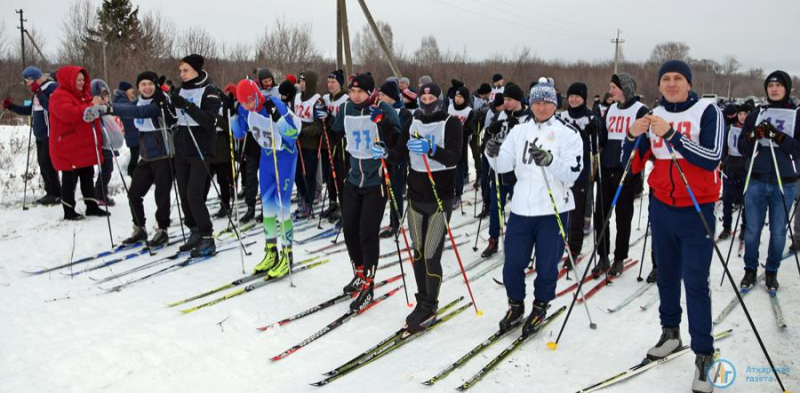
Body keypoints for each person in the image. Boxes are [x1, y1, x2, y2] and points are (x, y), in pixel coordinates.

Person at [623, 60, 724, 393]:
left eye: (677, 78)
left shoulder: (707, 112)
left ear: (688, 82)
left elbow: (711, 156)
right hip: (662, 206)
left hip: (697, 210)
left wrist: (673, 135)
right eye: (665, 78)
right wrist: (632, 135)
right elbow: (637, 162)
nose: (671, 83)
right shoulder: (653, 114)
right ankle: (670, 332)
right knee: (666, 275)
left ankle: (704, 353)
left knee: (695, 281)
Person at [486, 81, 583, 336]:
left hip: (552, 208)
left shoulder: (568, 132)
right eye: (537, 102)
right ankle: (515, 305)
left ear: (555, 104)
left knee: (547, 263)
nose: (542, 107)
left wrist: (550, 160)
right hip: (521, 207)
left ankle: (540, 306)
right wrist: (491, 152)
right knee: (513, 262)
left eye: (547, 102)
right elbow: (503, 165)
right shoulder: (519, 131)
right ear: (530, 103)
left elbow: (573, 174)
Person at [373, 82, 463, 332]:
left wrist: (431, 148)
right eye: (423, 96)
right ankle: (422, 300)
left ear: (439, 98)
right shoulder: (413, 121)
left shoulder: (451, 122)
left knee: (432, 253)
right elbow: (399, 154)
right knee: (418, 251)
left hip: (439, 197)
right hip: (415, 197)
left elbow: (455, 157)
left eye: (432, 96)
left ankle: (430, 305)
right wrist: (385, 152)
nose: (426, 100)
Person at [331, 73, 402, 311]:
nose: (354, 95)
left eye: (360, 92)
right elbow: (336, 130)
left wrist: (382, 122)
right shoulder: (346, 108)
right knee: (349, 229)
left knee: (367, 233)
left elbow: (397, 140)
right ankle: (359, 273)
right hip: (353, 179)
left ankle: (369, 284)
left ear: (370, 92)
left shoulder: (382, 107)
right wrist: (326, 119)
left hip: (376, 181)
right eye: (351, 91)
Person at [98, 71, 177, 247]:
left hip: (164, 155)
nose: (147, 87)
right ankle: (139, 228)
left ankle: (162, 229)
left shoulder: (159, 102)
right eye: (143, 84)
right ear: (138, 87)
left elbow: (139, 112)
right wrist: (102, 107)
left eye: (150, 84)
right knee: (134, 193)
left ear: (155, 85)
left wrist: (110, 108)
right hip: (146, 157)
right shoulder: (138, 102)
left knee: (161, 195)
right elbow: (129, 109)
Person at [737, 70, 800, 292]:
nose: (774, 89)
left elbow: (797, 149)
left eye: (778, 85)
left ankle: (772, 270)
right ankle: (750, 269)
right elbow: (742, 148)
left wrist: (778, 136)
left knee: (779, 230)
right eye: (770, 85)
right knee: (752, 229)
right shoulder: (756, 114)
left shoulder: (796, 114)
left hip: (785, 181)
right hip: (757, 179)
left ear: (786, 88)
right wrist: (753, 135)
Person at [233, 79, 300, 278]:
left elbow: (293, 135)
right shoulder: (245, 109)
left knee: (282, 207)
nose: (247, 106)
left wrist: (278, 117)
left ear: (255, 95)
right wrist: (234, 116)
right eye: (243, 103)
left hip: (285, 158)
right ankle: (271, 252)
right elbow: (239, 133)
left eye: (248, 101)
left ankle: (287, 256)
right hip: (267, 158)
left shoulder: (275, 104)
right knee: (268, 207)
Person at [594, 73, 649, 277]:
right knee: (601, 214)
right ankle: (603, 255)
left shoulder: (640, 110)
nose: (611, 91)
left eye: (614, 87)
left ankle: (619, 257)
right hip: (607, 167)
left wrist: (637, 170)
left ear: (625, 88)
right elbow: (605, 137)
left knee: (623, 216)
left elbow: (644, 142)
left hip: (626, 170)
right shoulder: (610, 109)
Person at [169, 54, 221, 257]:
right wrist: (166, 104)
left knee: (194, 195)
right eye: (180, 70)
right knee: (183, 195)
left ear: (196, 71)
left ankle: (208, 237)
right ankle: (195, 231)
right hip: (182, 149)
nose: (181, 74)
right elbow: (174, 117)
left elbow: (209, 120)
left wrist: (187, 106)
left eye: (185, 70)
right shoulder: (182, 89)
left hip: (201, 150)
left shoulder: (210, 91)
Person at [48, 65, 109, 220]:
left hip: (83, 144)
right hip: (67, 145)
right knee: (70, 179)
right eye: (78, 80)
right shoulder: (59, 95)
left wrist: (98, 104)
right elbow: (69, 114)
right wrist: (91, 106)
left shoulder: (83, 95)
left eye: (83, 79)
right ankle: (69, 210)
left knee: (88, 174)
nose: (82, 83)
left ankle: (92, 206)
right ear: (69, 80)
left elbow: (88, 110)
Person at [481, 83, 530, 258]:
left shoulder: (529, 117)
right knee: (496, 206)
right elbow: (489, 137)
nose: (506, 103)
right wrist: (490, 132)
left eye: (510, 100)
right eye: (505, 100)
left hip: (519, 171)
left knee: (520, 208)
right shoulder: (501, 114)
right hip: (500, 167)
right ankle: (493, 240)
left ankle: (519, 243)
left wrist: (515, 126)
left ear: (518, 100)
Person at [2, 66, 61, 205]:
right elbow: (31, 110)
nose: (28, 86)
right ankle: (50, 192)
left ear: (34, 79)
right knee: (42, 163)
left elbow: (51, 108)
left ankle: (57, 193)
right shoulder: (36, 92)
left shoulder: (51, 88)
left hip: (49, 133)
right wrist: (12, 107)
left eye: (29, 82)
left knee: (47, 163)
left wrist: (39, 92)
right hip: (39, 134)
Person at [558, 82, 600, 268]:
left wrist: (594, 133)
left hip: (580, 172)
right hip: (559, 169)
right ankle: (557, 245)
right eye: (571, 96)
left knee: (576, 213)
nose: (574, 99)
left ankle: (574, 249)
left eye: (577, 96)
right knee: (559, 210)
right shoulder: (561, 116)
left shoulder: (591, 117)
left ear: (584, 98)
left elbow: (600, 140)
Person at [377, 79, 412, 239]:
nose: (380, 97)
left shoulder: (402, 112)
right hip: (383, 155)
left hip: (397, 157)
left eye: (383, 95)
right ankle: (388, 220)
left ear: (392, 97)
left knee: (395, 189)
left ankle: (395, 223)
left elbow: (400, 137)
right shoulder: (381, 110)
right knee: (385, 189)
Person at [717, 104, 750, 241]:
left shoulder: (752, 129)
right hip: (730, 169)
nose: (742, 117)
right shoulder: (730, 128)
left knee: (746, 202)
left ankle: (744, 228)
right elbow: (723, 146)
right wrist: (724, 161)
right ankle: (726, 227)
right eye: (741, 114)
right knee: (727, 201)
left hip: (745, 170)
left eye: (745, 114)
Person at [293, 70, 323, 220]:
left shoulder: (318, 101)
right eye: (300, 81)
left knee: (309, 174)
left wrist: (304, 131)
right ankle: (304, 198)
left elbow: (319, 126)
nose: (302, 84)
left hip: (310, 143)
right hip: (297, 142)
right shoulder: (297, 98)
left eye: (304, 81)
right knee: (297, 173)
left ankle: (309, 202)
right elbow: (293, 116)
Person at [320, 69, 349, 223]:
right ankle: (332, 203)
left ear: (340, 83)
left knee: (340, 175)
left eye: (333, 82)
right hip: (327, 142)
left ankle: (345, 209)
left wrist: (328, 117)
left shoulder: (345, 99)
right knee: (329, 175)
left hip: (341, 142)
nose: (330, 85)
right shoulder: (325, 98)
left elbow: (342, 123)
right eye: (329, 81)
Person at [90, 79, 121, 207]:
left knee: (108, 169)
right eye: (101, 97)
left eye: (106, 97)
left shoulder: (109, 110)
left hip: (110, 145)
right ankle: (100, 195)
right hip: (103, 146)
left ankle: (100, 193)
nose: (105, 100)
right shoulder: (96, 111)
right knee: (106, 170)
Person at [448, 86, 476, 210]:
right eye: (457, 96)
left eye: (460, 97)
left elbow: (470, 128)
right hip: (447, 142)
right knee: (448, 170)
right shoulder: (449, 107)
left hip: (461, 144)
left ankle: (457, 194)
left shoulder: (469, 111)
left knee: (459, 171)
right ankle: (448, 192)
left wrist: (458, 130)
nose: (458, 99)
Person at [114, 80, 140, 176]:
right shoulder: (122, 101)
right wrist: (139, 100)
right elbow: (129, 110)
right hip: (131, 132)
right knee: (135, 156)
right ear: (125, 91)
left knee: (136, 155)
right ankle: (131, 174)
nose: (132, 90)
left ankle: (133, 173)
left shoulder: (124, 99)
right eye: (130, 89)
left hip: (133, 132)